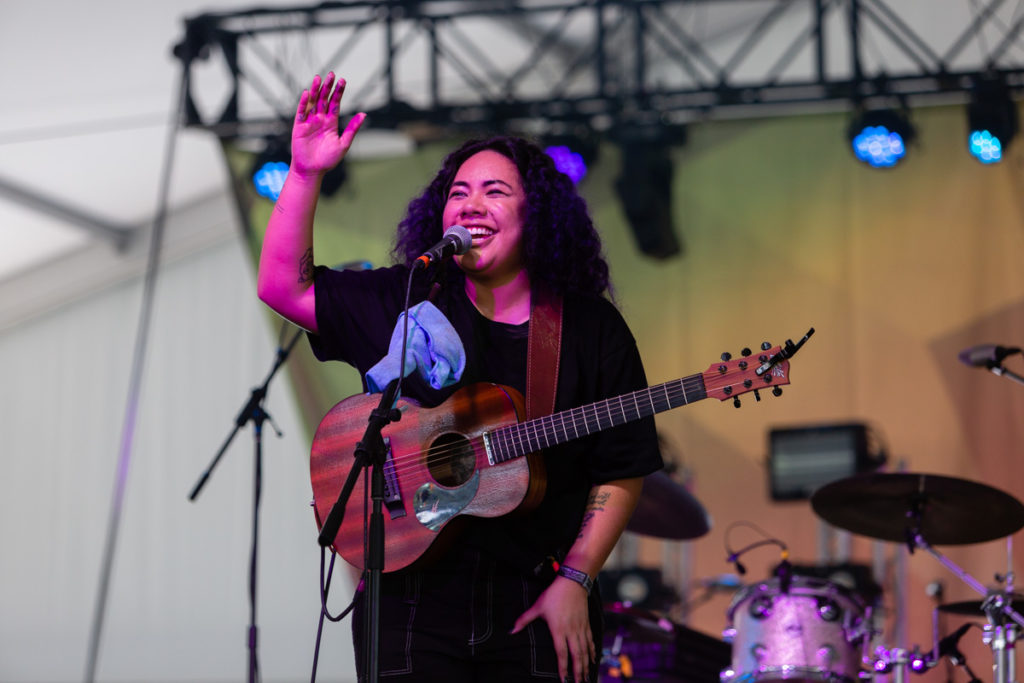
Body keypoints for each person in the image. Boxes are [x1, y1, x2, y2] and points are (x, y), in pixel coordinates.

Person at [257, 72, 663, 683]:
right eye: (458, 192)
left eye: (495, 191)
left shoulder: (588, 328)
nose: (471, 204)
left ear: (536, 213)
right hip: (408, 603)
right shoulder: (409, 296)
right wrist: (306, 173)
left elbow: (622, 467)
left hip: (534, 597)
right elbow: (282, 288)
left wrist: (576, 580)